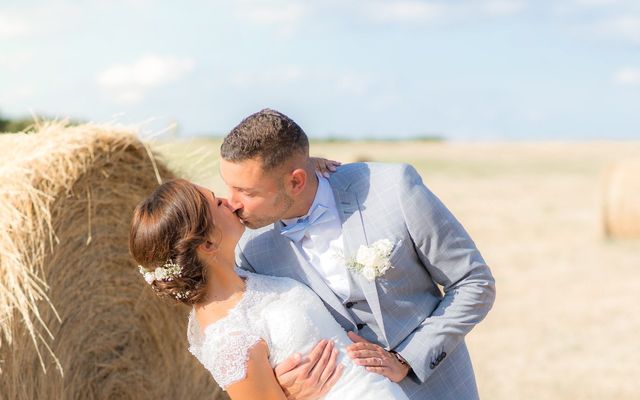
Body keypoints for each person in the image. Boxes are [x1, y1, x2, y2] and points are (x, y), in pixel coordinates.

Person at [220, 109, 496, 400]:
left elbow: (474, 283)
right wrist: (284, 387)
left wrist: (407, 359)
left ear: (296, 182)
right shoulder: (249, 249)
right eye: (228, 186)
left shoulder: (393, 189)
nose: (232, 203)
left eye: (246, 192)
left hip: (436, 390)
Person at [129, 178, 410, 400]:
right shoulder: (229, 339)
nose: (229, 201)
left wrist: (307, 166)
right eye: (217, 203)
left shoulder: (245, 276)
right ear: (208, 244)